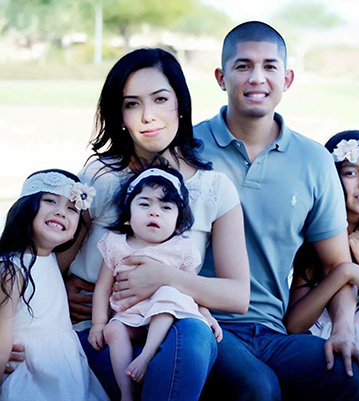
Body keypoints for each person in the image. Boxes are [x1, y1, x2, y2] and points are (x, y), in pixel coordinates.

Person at [190, 21, 359, 400]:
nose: (257, 78)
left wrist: (343, 329)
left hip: (273, 333)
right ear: (221, 76)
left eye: (269, 66)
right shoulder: (187, 148)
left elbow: (335, 264)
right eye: (243, 66)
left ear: (288, 78)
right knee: (257, 388)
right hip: (201, 324)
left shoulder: (313, 161)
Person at [57, 48, 249, 400]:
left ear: (180, 103)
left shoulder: (214, 187)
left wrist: (168, 278)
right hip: (107, 326)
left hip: (174, 322)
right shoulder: (99, 178)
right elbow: (46, 260)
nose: (148, 116)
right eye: (132, 104)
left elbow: (238, 296)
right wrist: (59, 290)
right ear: (120, 116)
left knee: (254, 384)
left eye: (160, 99)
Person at [88, 166, 222, 400]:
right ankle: (126, 391)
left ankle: (146, 355)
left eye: (166, 207)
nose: (154, 213)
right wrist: (98, 323)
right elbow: (103, 287)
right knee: (113, 330)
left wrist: (206, 314)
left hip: (167, 316)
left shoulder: (180, 247)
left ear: (178, 223)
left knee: (166, 296)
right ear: (128, 216)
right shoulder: (116, 244)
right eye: (144, 204)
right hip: (130, 315)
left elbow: (194, 286)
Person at [285, 130, 359, 400]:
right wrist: (343, 272)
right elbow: (295, 325)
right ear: (331, 179)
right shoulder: (311, 235)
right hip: (327, 351)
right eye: (351, 173)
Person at [0, 169, 108, 401]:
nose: (61, 212)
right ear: (25, 209)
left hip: (67, 373)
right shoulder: (12, 269)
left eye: (71, 208)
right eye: (50, 200)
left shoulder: (51, 260)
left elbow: (84, 226)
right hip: (31, 377)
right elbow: (2, 337)